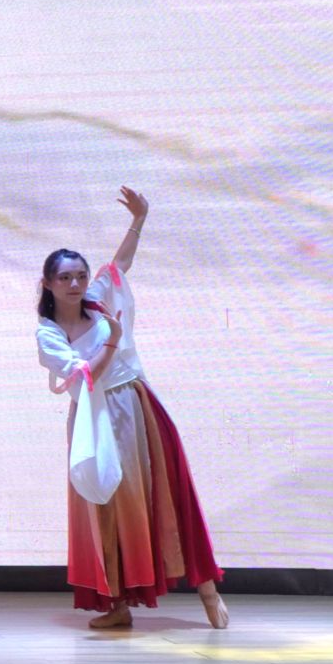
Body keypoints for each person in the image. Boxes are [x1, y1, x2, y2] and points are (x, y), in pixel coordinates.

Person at [35, 188, 228, 630]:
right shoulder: (48, 332)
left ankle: (208, 590)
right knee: (105, 505)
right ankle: (117, 604)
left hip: (137, 406)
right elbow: (86, 376)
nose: (75, 284)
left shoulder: (98, 301)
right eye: (64, 278)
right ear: (48, 284)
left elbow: (119, 264)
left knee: (169, 493)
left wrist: (139, 219)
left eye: (80, 276)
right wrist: (112, 342)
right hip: (94, 419)